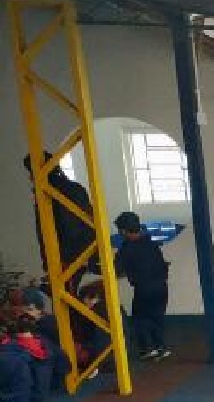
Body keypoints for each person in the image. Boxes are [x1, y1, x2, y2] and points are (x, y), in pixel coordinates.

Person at [23, 152, 98, 295]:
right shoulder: (76, 188)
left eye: (30, 174)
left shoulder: (46, 192)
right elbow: (90, 219)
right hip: (86, 253)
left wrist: (50, 262)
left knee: (67, 299)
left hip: (65, 259)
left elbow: (48, 229)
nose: (30, 178)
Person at [112, 212, 171, 360]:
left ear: (124, 231)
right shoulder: (151, 243)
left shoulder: (127, 248)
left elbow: (116, 269)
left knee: (140, 319)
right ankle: (161, 347)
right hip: (161, 287)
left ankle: (147, 349)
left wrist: (91, 267)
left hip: (144, 289)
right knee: (157, 317)